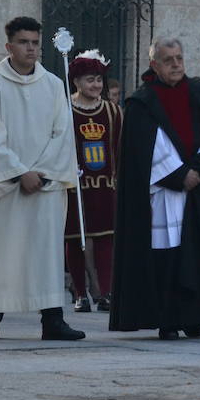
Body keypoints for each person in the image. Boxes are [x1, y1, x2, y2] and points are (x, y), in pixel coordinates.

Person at [0, 17, 84, 341]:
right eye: (24, 42)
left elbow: (62, 134)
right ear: (9, 46)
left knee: (45, 253)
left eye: (35, 42)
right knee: (0, 252)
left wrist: (41, 173)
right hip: (7, 187)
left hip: (43, 187)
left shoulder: (52, 85)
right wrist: (20, 172)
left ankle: (52, 319)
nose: (31, 48)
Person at [110, 37, 200, 340]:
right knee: (167, 256)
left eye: (179, 58)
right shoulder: (142, 103)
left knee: (197, 254)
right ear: (154, 65)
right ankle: (168, 318)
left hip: (198, 191)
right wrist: (177, 175)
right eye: (168, 59)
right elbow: (143, 151)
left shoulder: (198, 92)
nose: (175, 64)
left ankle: (193, 316)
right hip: (163, 194)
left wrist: (198, 170)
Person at [65, 50, 121, 313]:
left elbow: (121, 148)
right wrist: (64, 167)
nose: (96, 85)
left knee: (105, 239)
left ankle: (106, 292)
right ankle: (79, 292)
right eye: (90, 80)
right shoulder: (64, 110)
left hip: (104, 187)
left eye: (99, 80)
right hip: (74, 187)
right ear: (76, 82)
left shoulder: (113, 111)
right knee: (75, 239)